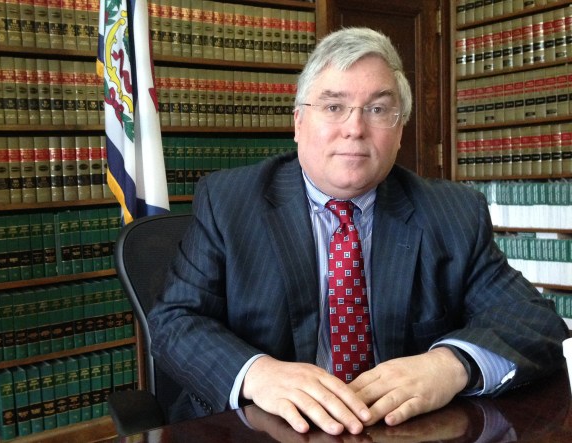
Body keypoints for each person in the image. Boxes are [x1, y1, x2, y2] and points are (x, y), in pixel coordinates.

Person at [147, 27, 568, 436]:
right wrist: (258, 374)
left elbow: (534, 321)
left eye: (378, 109)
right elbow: (175, 321)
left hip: (401, 431)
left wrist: (451, 364)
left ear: (399, 131)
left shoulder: (453, 214)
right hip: (263, 430)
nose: (355, 128)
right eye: (334, 107)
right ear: (298, 122)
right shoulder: (230, 202)